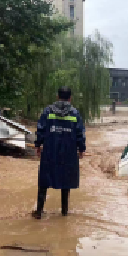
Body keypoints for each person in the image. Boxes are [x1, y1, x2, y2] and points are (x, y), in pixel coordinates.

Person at [32, 86, 86, 220]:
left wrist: (38, 145)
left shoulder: (47, 111)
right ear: (70, 98)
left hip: (50, 151)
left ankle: (39, 212)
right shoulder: (74, 113)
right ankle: (64, 212)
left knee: (44, 180)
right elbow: (80, 133)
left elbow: (41, 130)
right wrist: (81, 149)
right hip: (68, 153)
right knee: (66, 181)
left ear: (57, 97)